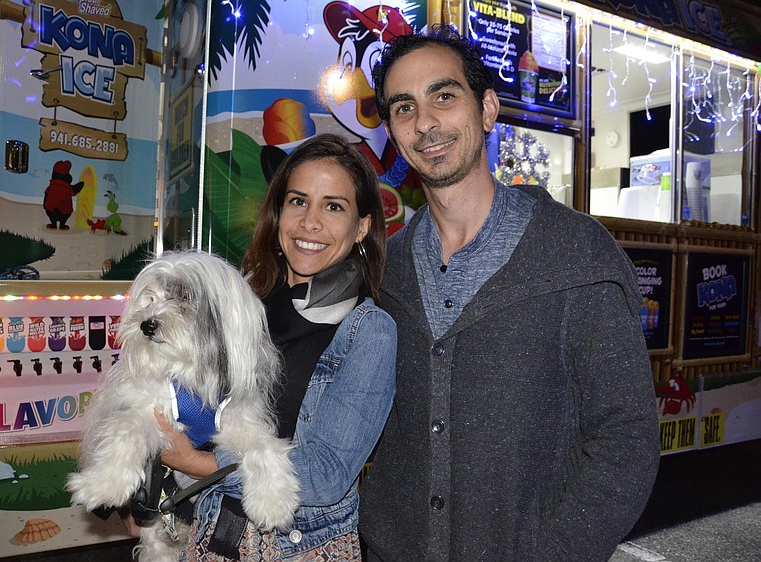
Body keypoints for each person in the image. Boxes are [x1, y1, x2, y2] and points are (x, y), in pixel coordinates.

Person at [358, 25, 660, 561]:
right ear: (393, 133)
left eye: (444, 96)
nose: (425, 122)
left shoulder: (575, 254)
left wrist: (554, 551)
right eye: (403, 108)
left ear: (488, 109)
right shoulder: (389, 269)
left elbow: (626, 437)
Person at [155, 133, 397, 561]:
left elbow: (327, 474)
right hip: (211, 532)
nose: (310, 222)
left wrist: (196, 465)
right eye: (298, 201)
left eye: (334, 207)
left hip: (297, 546)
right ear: (278, 210)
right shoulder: (238, 303)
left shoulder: (369, 331)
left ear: (362, 226)